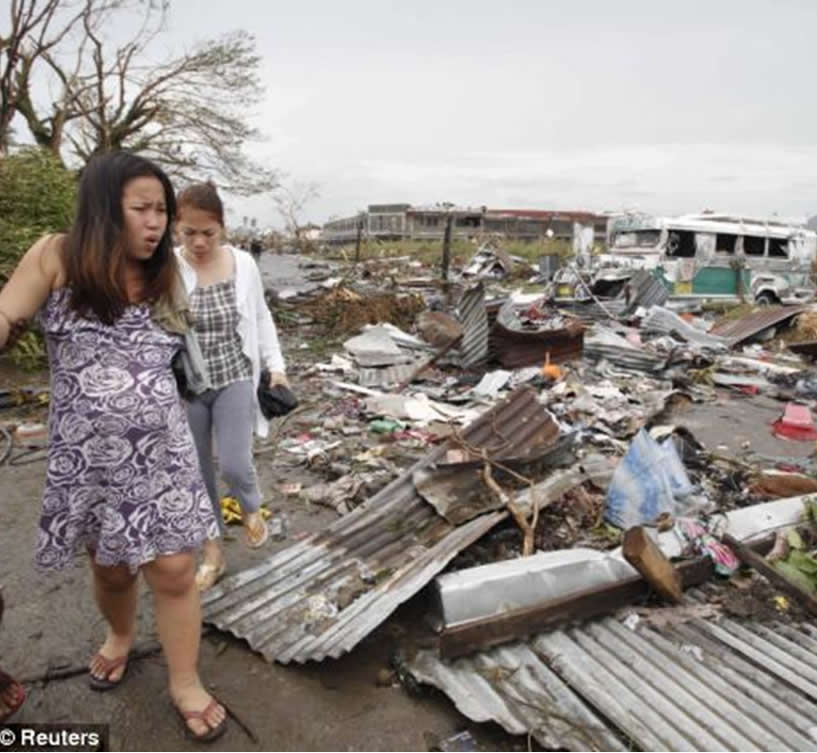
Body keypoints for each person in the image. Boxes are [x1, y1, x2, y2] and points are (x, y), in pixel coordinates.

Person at [0, 151, 228, 741]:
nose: (156, 223)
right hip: (90, 461)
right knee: (113, 569)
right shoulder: (57, 255)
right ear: (105, 209)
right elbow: (6, 313)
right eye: (142, 209)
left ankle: (184, 680)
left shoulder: (167, 272)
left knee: (176, 569)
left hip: (163, 455)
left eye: (162, 211)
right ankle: (121, 637)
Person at [174, 182, 288, 591]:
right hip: (188, 387)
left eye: (209, 232)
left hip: (235, 376)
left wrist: (276, 366)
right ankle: (213, 553)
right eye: (190, 232)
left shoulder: (244, 264)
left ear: (222, 228)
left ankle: (251, 507)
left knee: (235, 463)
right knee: (197, 471)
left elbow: (260, 317)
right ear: (177, 229)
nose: (200, 241)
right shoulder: (168, 268)